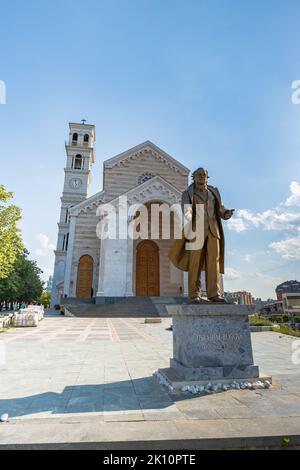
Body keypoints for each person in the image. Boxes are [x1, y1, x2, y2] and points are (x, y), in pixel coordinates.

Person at [169, 167, 234, 303]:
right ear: (193, 177)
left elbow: (220, 209)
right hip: (196, 230)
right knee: (195, 263)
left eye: (203, 174)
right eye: (198, 175)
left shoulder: (213, 192)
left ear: (207, 177)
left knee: (213, 262)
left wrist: (226, 213)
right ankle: (194, 295)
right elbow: (186, 209)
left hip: (213, 231)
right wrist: (190, 216)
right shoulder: (188, 193)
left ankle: (214, 294)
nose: (201, 176)